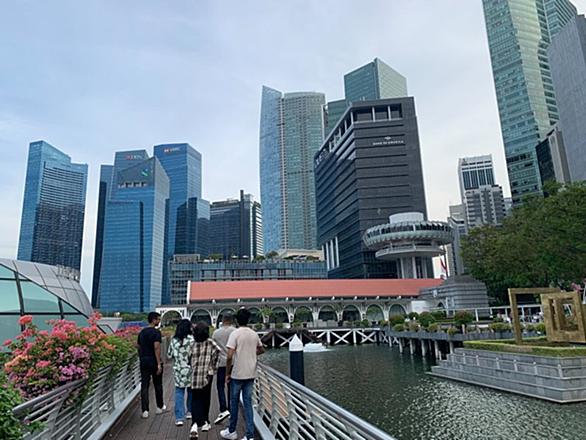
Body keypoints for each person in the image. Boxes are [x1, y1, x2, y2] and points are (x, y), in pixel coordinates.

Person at [220, 308, 264, 440]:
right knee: (248, 403)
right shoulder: (254, 334)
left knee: (233, 402)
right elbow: (262, 349)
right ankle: (249, 435)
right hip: (251, 373)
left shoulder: (235, 334)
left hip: (237, 374)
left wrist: (227, 373)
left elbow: (229, 356)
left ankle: (232, 430)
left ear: (237, 320)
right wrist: (251, 354)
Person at [189, 321, 220, 439]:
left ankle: (194, 424)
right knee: (206, 398)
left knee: (195, 399)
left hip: (195, 374)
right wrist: (214, 367)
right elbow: (218, 353)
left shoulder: (192, 344)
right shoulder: (210, 343)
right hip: (208, 374)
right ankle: (205, 422)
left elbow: (188, 358)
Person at [137, 312, 166, 418]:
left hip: (144, 361)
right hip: (153, 360)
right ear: (153, 320)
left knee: (144, 385)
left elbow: (138, 346)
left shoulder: (142, 332)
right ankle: (159, 407)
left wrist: (142, 357)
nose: (159, 321)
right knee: (158, 384)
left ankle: (145, 410)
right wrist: (158, 363)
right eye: (158, 319)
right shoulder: (156, 332)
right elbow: (156, 347)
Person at [167, 319, 195, 426]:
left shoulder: (174, 340)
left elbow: (169, 355)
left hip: (178, 370)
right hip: (190, 369)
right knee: (191, 391)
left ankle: (179, 418)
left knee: (179, 392)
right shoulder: (192, 340)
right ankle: (190, 412)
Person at [212, 313, 236, 424]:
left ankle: (223, 408)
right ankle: (231, 408)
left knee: (220, 386)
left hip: (221, 362)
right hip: (233, 362)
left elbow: (213, 348)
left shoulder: (216, 333)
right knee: (232, 386)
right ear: (231, 320)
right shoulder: (234, 331)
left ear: (222, 320)